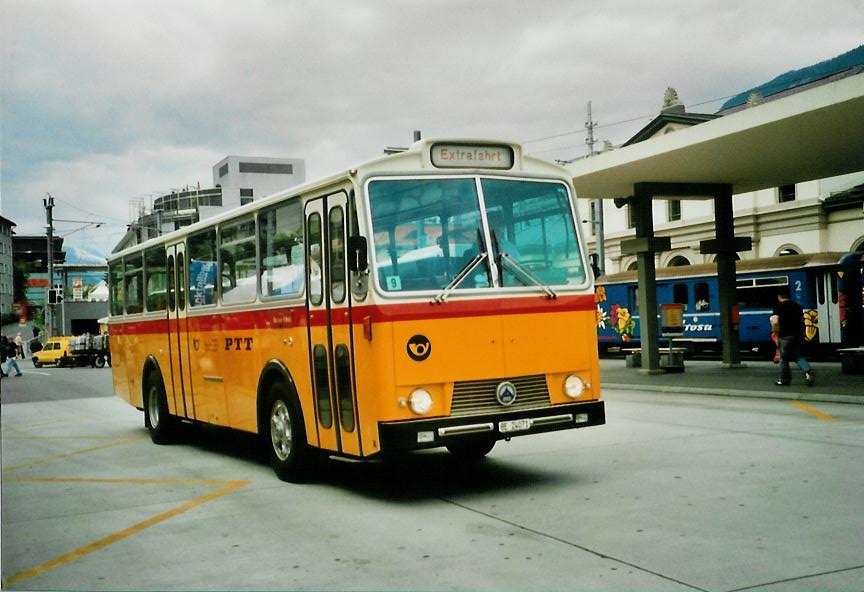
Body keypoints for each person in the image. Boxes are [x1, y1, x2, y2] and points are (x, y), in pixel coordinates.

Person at [770, 286, 813, 387]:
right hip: (797, 335)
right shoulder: (797, 306)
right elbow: (802, 321)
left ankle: (784, 380)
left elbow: (775, 322)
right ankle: (808, 371)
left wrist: (775, 332)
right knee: (798, 356)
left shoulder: (778, 307)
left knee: (783, 359)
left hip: (784, 336)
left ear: (779, 296)